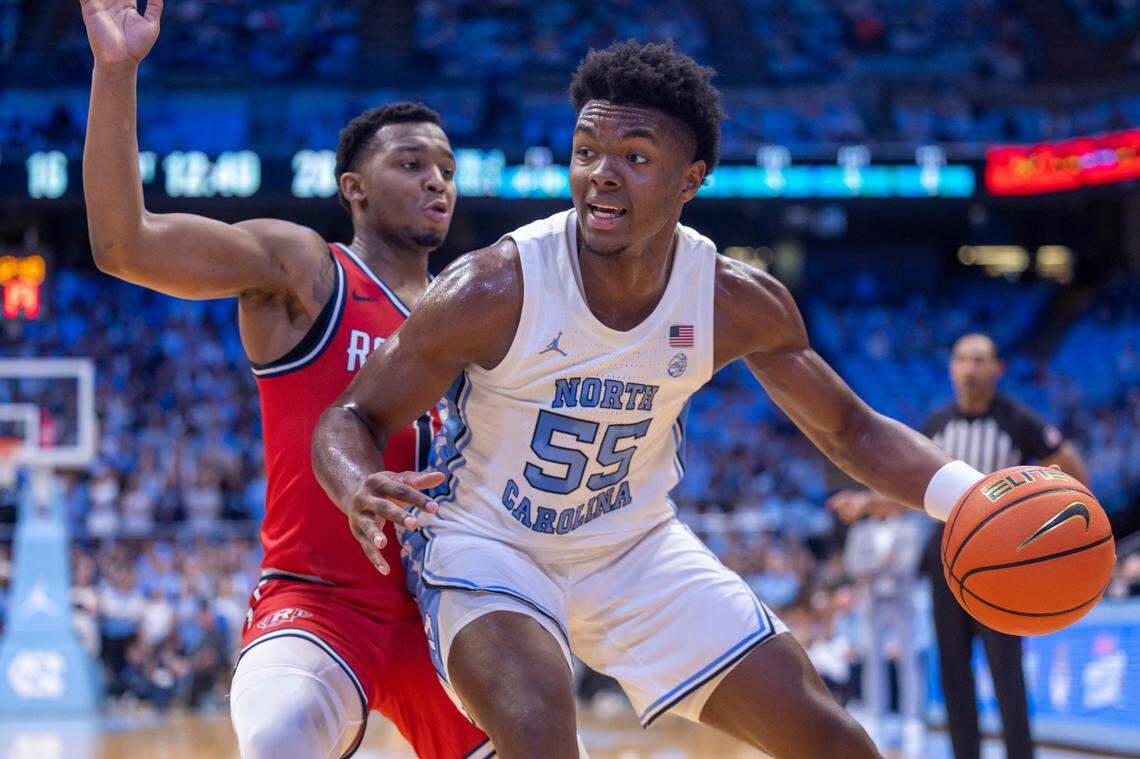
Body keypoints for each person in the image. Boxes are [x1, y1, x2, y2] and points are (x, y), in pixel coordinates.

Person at [310, 40, 1001, 758]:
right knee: (542, 732)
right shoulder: (494, 286)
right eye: (586, 151)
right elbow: (351, 416)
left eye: (634, 157)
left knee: (831, 738)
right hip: (490, 543)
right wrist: (358, 483)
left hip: (633, 545)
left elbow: (851, 431)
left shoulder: (732, 299)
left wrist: (974, 499)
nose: (601, 175)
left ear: (690, 179)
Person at [78, 2, 490, 757]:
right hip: (319, 602)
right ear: (353, 187)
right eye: (410, 164)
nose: (436, 181)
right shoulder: (305, 269)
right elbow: (123, 244)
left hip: (444, 610)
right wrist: (116, 74)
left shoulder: (472, 313)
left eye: (446, 170)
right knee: (281, 738)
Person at [830, 333, 1089, 759]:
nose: (970, 368)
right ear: (951, 368)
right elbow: (912, 491)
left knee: (1006, 669)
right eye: (962, 360)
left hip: (1005, 562)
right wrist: (866, 503)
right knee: (952, 668)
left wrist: (1053, 527)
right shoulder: (937, 425)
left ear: (997, 369)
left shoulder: (1018, 421)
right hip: (948, 557)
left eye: (979, 360)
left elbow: (1071, 468)